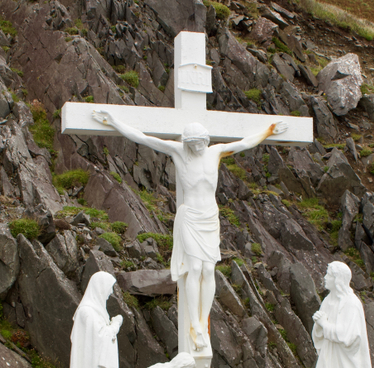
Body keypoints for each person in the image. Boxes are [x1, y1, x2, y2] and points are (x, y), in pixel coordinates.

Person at [91, 110, 286, 351]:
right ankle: (195, 322)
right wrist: (115, 121)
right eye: (192, 145)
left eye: (200, 144)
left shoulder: (215, 152)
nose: (196, 149)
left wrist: (268, 131)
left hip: (210, 217)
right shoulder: (178, 151)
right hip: (191, 217)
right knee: (195, 268)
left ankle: (203, 320)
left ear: (206, 141)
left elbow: (244, 143)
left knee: (208, 269)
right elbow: (142, 138)